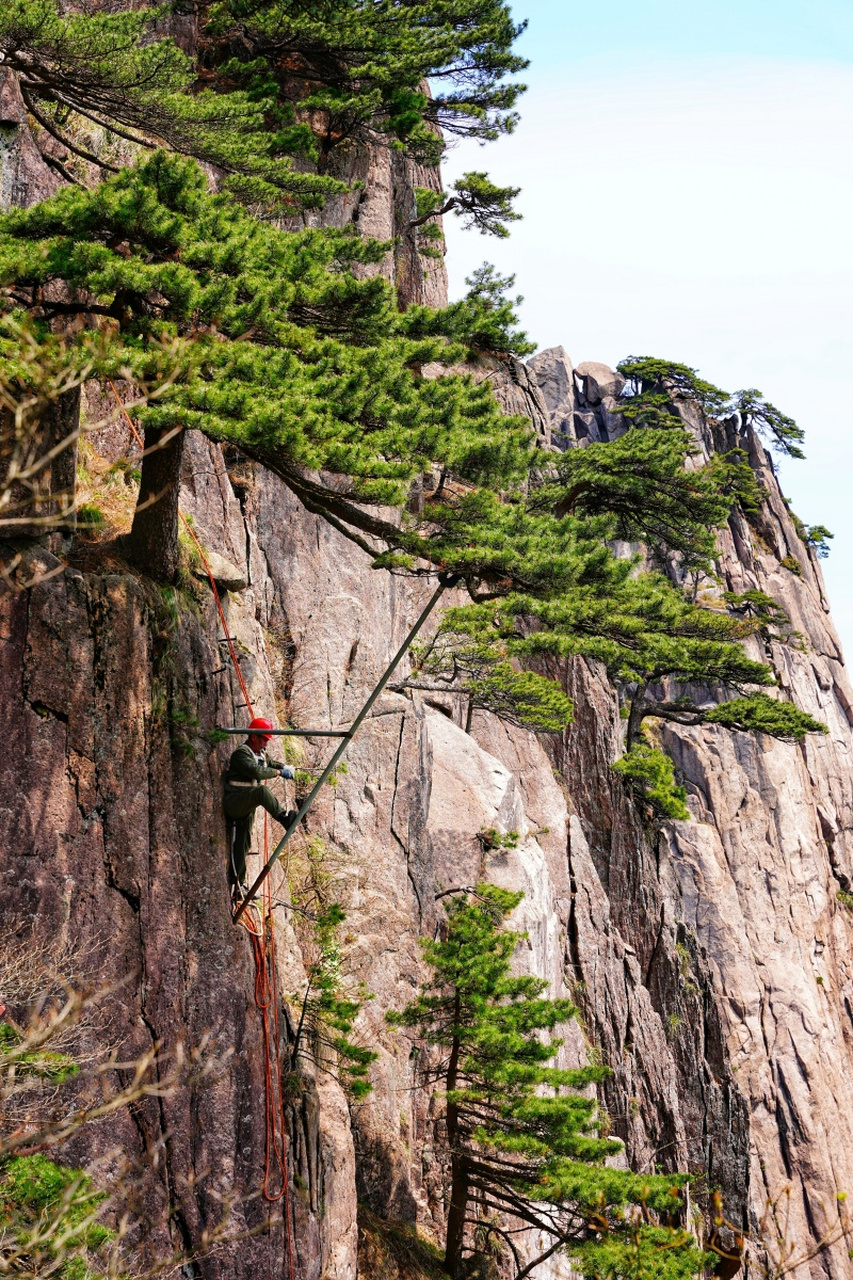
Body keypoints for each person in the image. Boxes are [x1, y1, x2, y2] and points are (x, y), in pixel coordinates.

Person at [224, 717, 297, 901]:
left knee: (244, 842)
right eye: (264, 739)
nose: (265, 743)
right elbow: (256, 772)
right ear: (254, 737)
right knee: (262, 790)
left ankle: (238, 885)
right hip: (234, 802)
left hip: (245, 804)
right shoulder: (241, 754)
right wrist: (280, 773)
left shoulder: (261, 753)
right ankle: (283, 818)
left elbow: (270, 763)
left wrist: (284, 767)